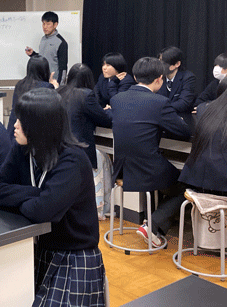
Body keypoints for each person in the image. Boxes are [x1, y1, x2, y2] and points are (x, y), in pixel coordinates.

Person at [0, 88, 106, 307]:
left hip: (74, 255)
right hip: (41, 250)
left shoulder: (72, 160)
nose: (15, 125)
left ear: (40, 126)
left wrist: (32, 200)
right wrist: (37, 194)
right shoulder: (23, 149)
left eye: (21, 121)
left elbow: (42, 212)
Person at [110, 57, 191, 247]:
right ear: (159, 79)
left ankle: (152, 225)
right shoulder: (159, 102)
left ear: (135, 77)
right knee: (186, 187)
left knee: (166, 177)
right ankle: (152, 226)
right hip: (147, 170)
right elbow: (183, 131)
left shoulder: (117, 99)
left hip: (122, 169)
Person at [57, 63, 112, 169]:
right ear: (88, 79)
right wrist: (109, 110)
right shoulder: (86, 95)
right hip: (80, 148)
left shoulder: (59, 91)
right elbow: (104, 119)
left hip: (59, 147)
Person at [7, 56, 55, 139]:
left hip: (14, 132)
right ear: (45, 70)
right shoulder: (47, 87)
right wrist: (56, 88)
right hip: (33, 135)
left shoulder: (19, 84)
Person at [25, 11, 68, 84]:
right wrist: (33, 54)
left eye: (48, 24)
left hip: (53, 83)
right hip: (41, 81)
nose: (45, 27)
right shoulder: (43, 39)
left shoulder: (61, 42)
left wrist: (60, 86)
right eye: (43, 23)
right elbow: (44, 58)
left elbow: (63, 68)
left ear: (55, 25)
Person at [157, 46, 197, 114]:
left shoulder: (188, 78)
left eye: (163, 63)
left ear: (177, 64)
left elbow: (183, 103)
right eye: (159, 61)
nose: (159, 65)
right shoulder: (158, 77)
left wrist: (162, 109)